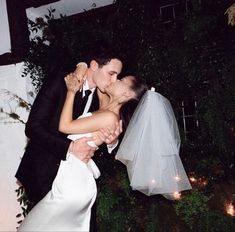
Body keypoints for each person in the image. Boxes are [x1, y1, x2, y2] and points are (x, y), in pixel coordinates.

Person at [18, 65, 148, 231]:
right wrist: (81, 66)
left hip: (73, 181)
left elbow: (65, 126)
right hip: (65, 173)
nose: (114, 79)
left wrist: (71, 91)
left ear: (127, 94)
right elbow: (91, 69)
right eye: (112, 74)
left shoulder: (109, 116)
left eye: (120, 79)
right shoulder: (105, 103)